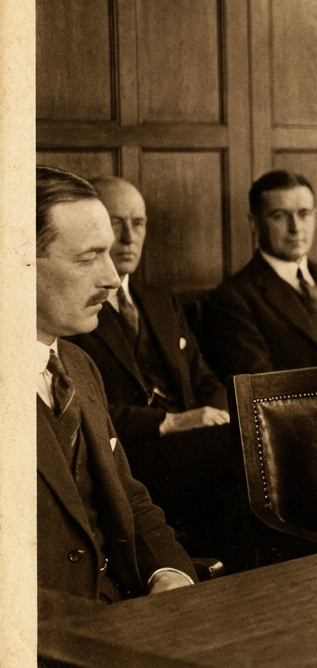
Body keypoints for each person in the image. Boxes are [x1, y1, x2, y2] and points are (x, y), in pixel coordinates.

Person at [35, 166, 195, 608]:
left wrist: (169, 572)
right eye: (88, 258)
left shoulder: (78, 366)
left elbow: (127, 498)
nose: (110, 277)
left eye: (109, 255)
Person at [65, 177, 243, 561]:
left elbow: (205, 378)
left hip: (194, 447)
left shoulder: (159, 300)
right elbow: (83, 410)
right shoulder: (70, 309)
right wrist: (170, 422)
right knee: (241, 452)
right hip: (132, 454)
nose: (129, 237)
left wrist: (220, 415)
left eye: (139, 223)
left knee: (247, 440)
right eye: (116, 223)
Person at [203, 170, 317, 379]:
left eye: (304, 214)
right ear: (254, 223)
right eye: (279, 216)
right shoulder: (233, 298)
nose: (296, 228)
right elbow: (262, 392)